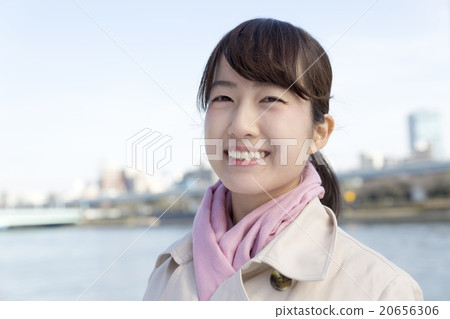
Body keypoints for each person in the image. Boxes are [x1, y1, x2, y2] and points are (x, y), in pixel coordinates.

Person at [143, 18, 423, 301]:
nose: (240, 126)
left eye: (271, 99)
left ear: (319, 133)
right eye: (224, 97)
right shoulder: (168, 272)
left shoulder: (380, 291)